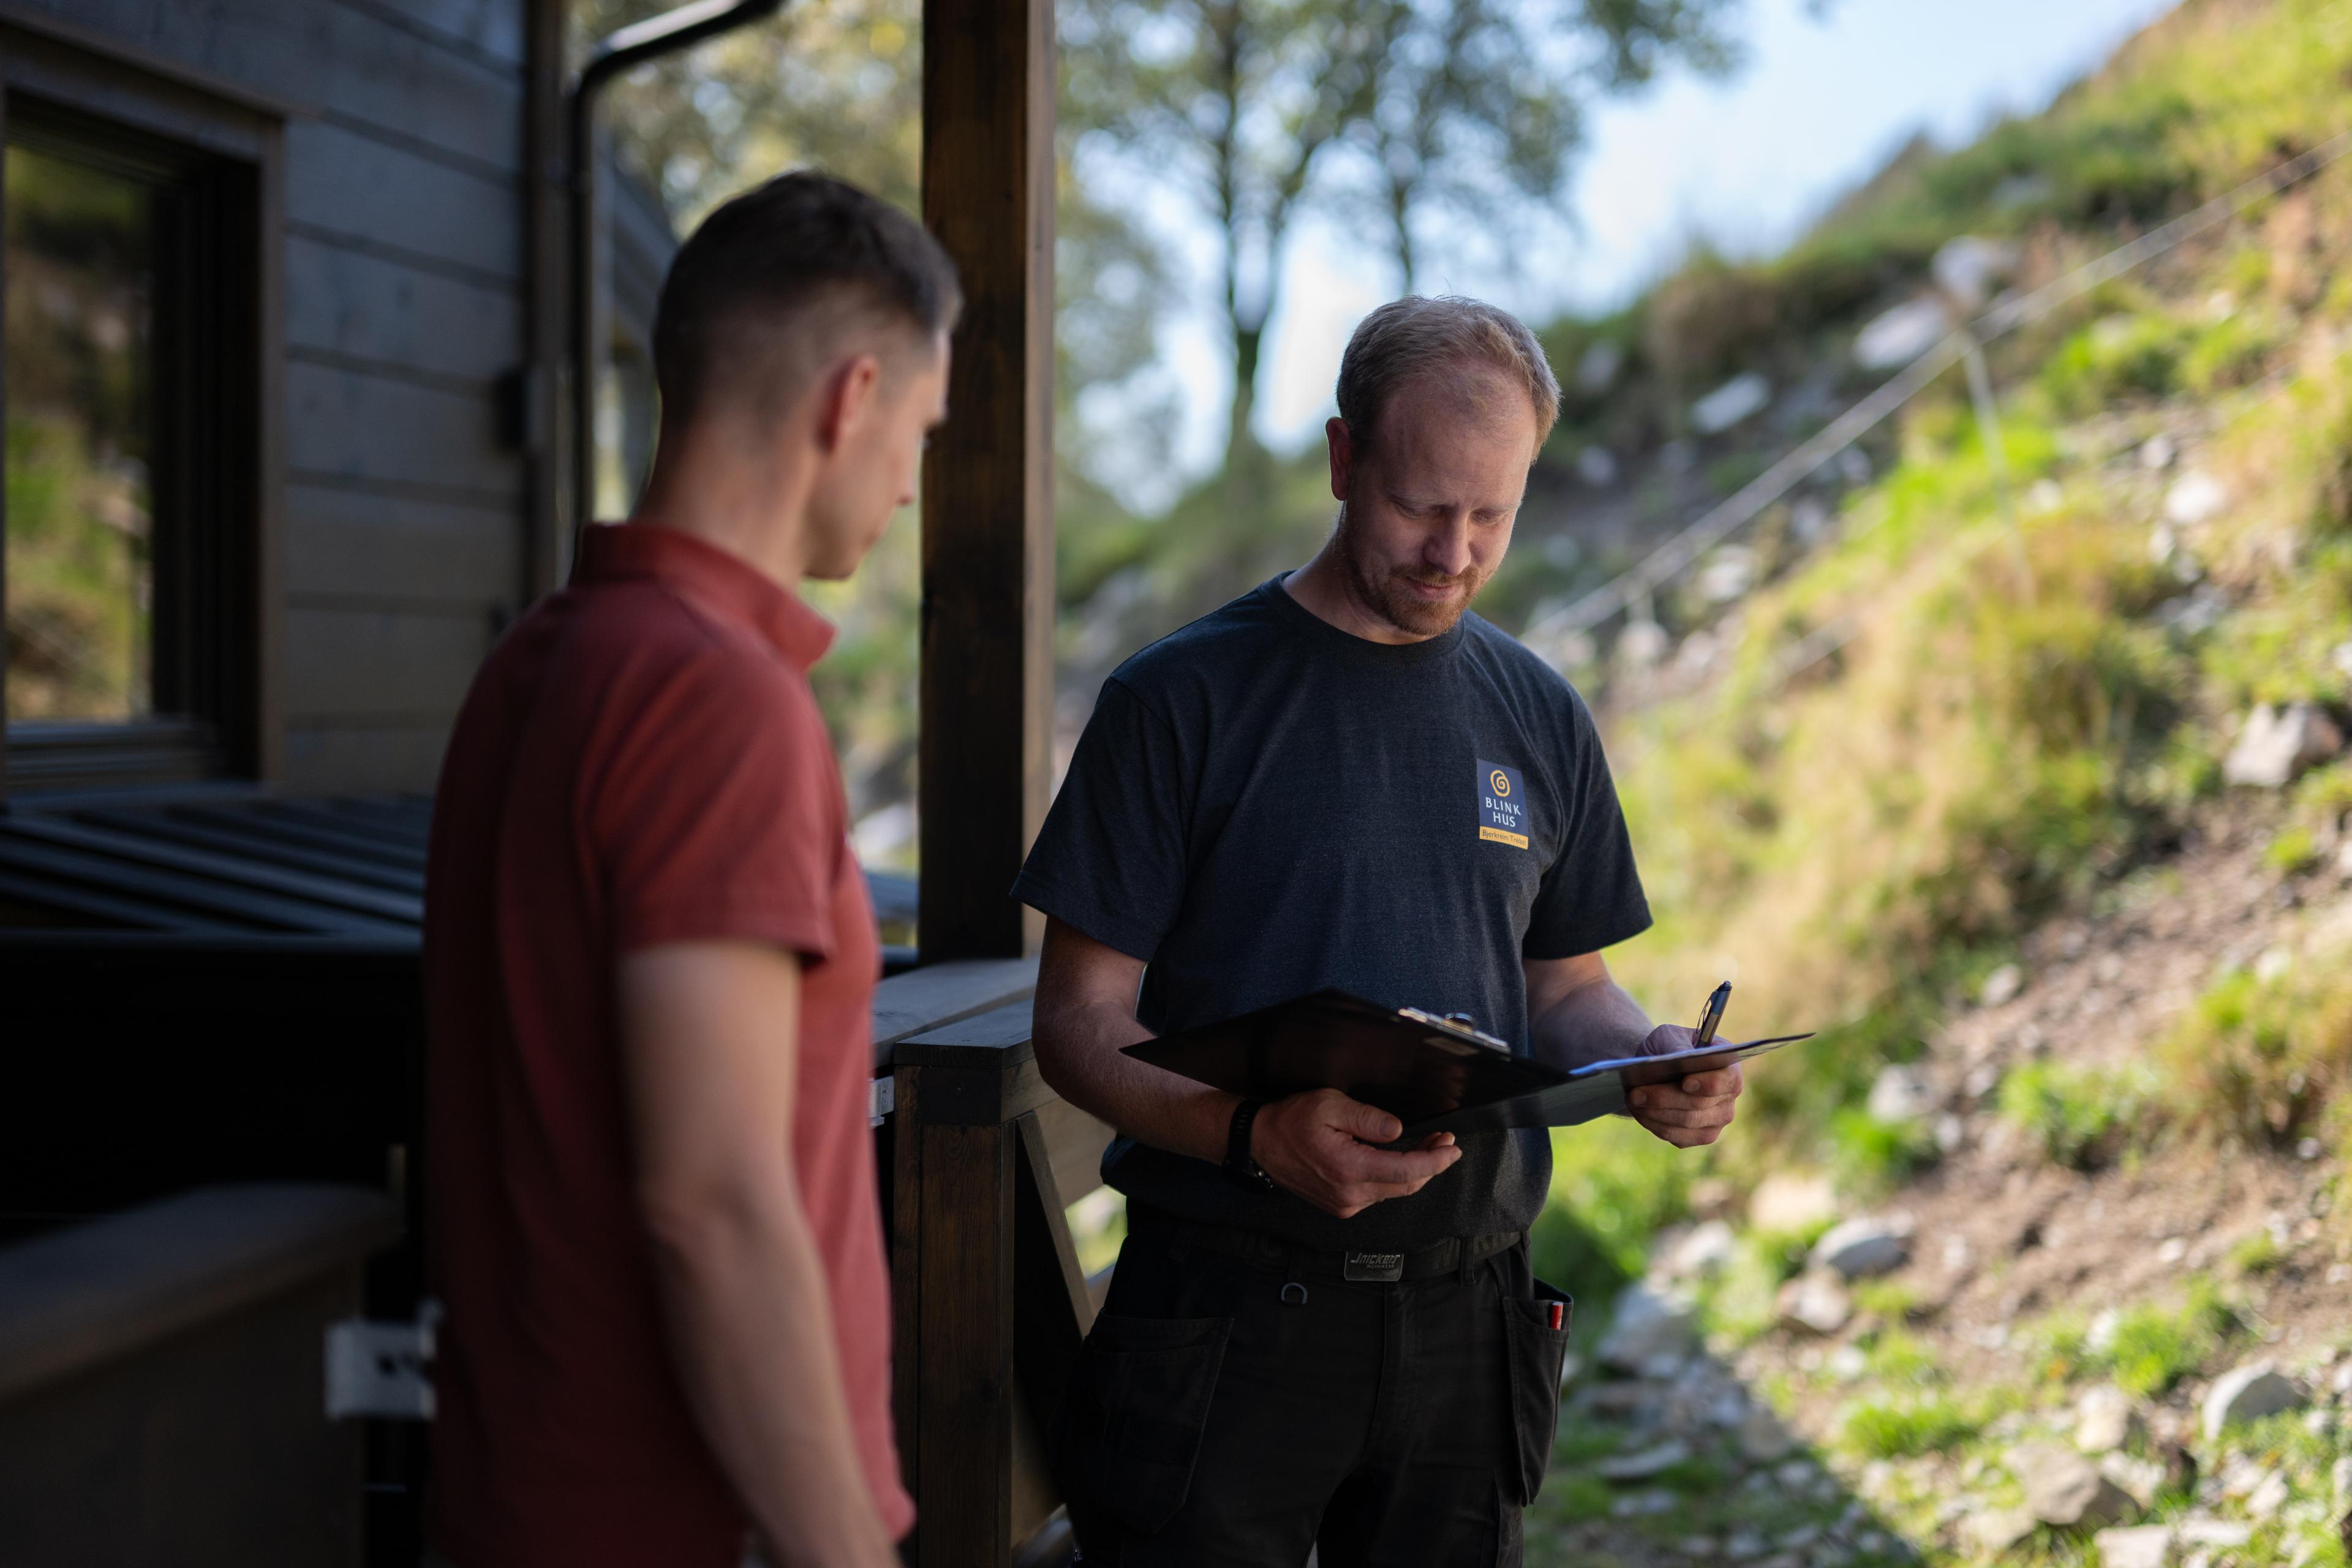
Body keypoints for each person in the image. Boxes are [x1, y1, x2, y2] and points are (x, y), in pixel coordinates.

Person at [1014, 295, 1746, 1566]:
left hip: (1473, 1323)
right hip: (1223, 1317)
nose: (1454, 551)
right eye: (1420, 504)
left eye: (1493, 514)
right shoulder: (1176, 699)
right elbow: (1077, 1025)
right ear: (1345, 458)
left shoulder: (1541, 710)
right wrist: (1250, 1135)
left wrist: (1648, 1056)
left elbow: (1567, 984)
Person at [421, 172, 956, 1568]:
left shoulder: (540, 659)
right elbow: (713, 1202)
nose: (909, 479)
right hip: (687, 1522)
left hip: (521, 1498)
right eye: (918, 429)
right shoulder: (711, 696)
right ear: (850, 399)